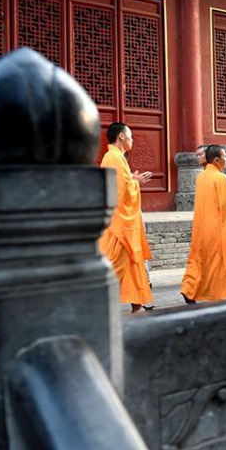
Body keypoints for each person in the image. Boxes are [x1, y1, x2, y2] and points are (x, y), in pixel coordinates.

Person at [180, 145, 226, 303]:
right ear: (217, 160)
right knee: (219, 266)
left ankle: (189, 289)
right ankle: (221, 294)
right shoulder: (221, 178)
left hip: (202, 228)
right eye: (225, 157)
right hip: (217, 229)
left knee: (200, 262)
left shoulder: (201, 177)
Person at [99, 122, 153, 312]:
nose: (132, 139)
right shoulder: (113, 157)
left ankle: (136, 305)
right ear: (121, 136)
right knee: (117, 265)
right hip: (120, 225)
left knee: (131, 263)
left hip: (124, 222)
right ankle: (97, 304)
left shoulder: (116, 157)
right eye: (130, 135)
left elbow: (121, 184)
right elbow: (121, 192)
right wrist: (135, 182)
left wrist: (132, 180)